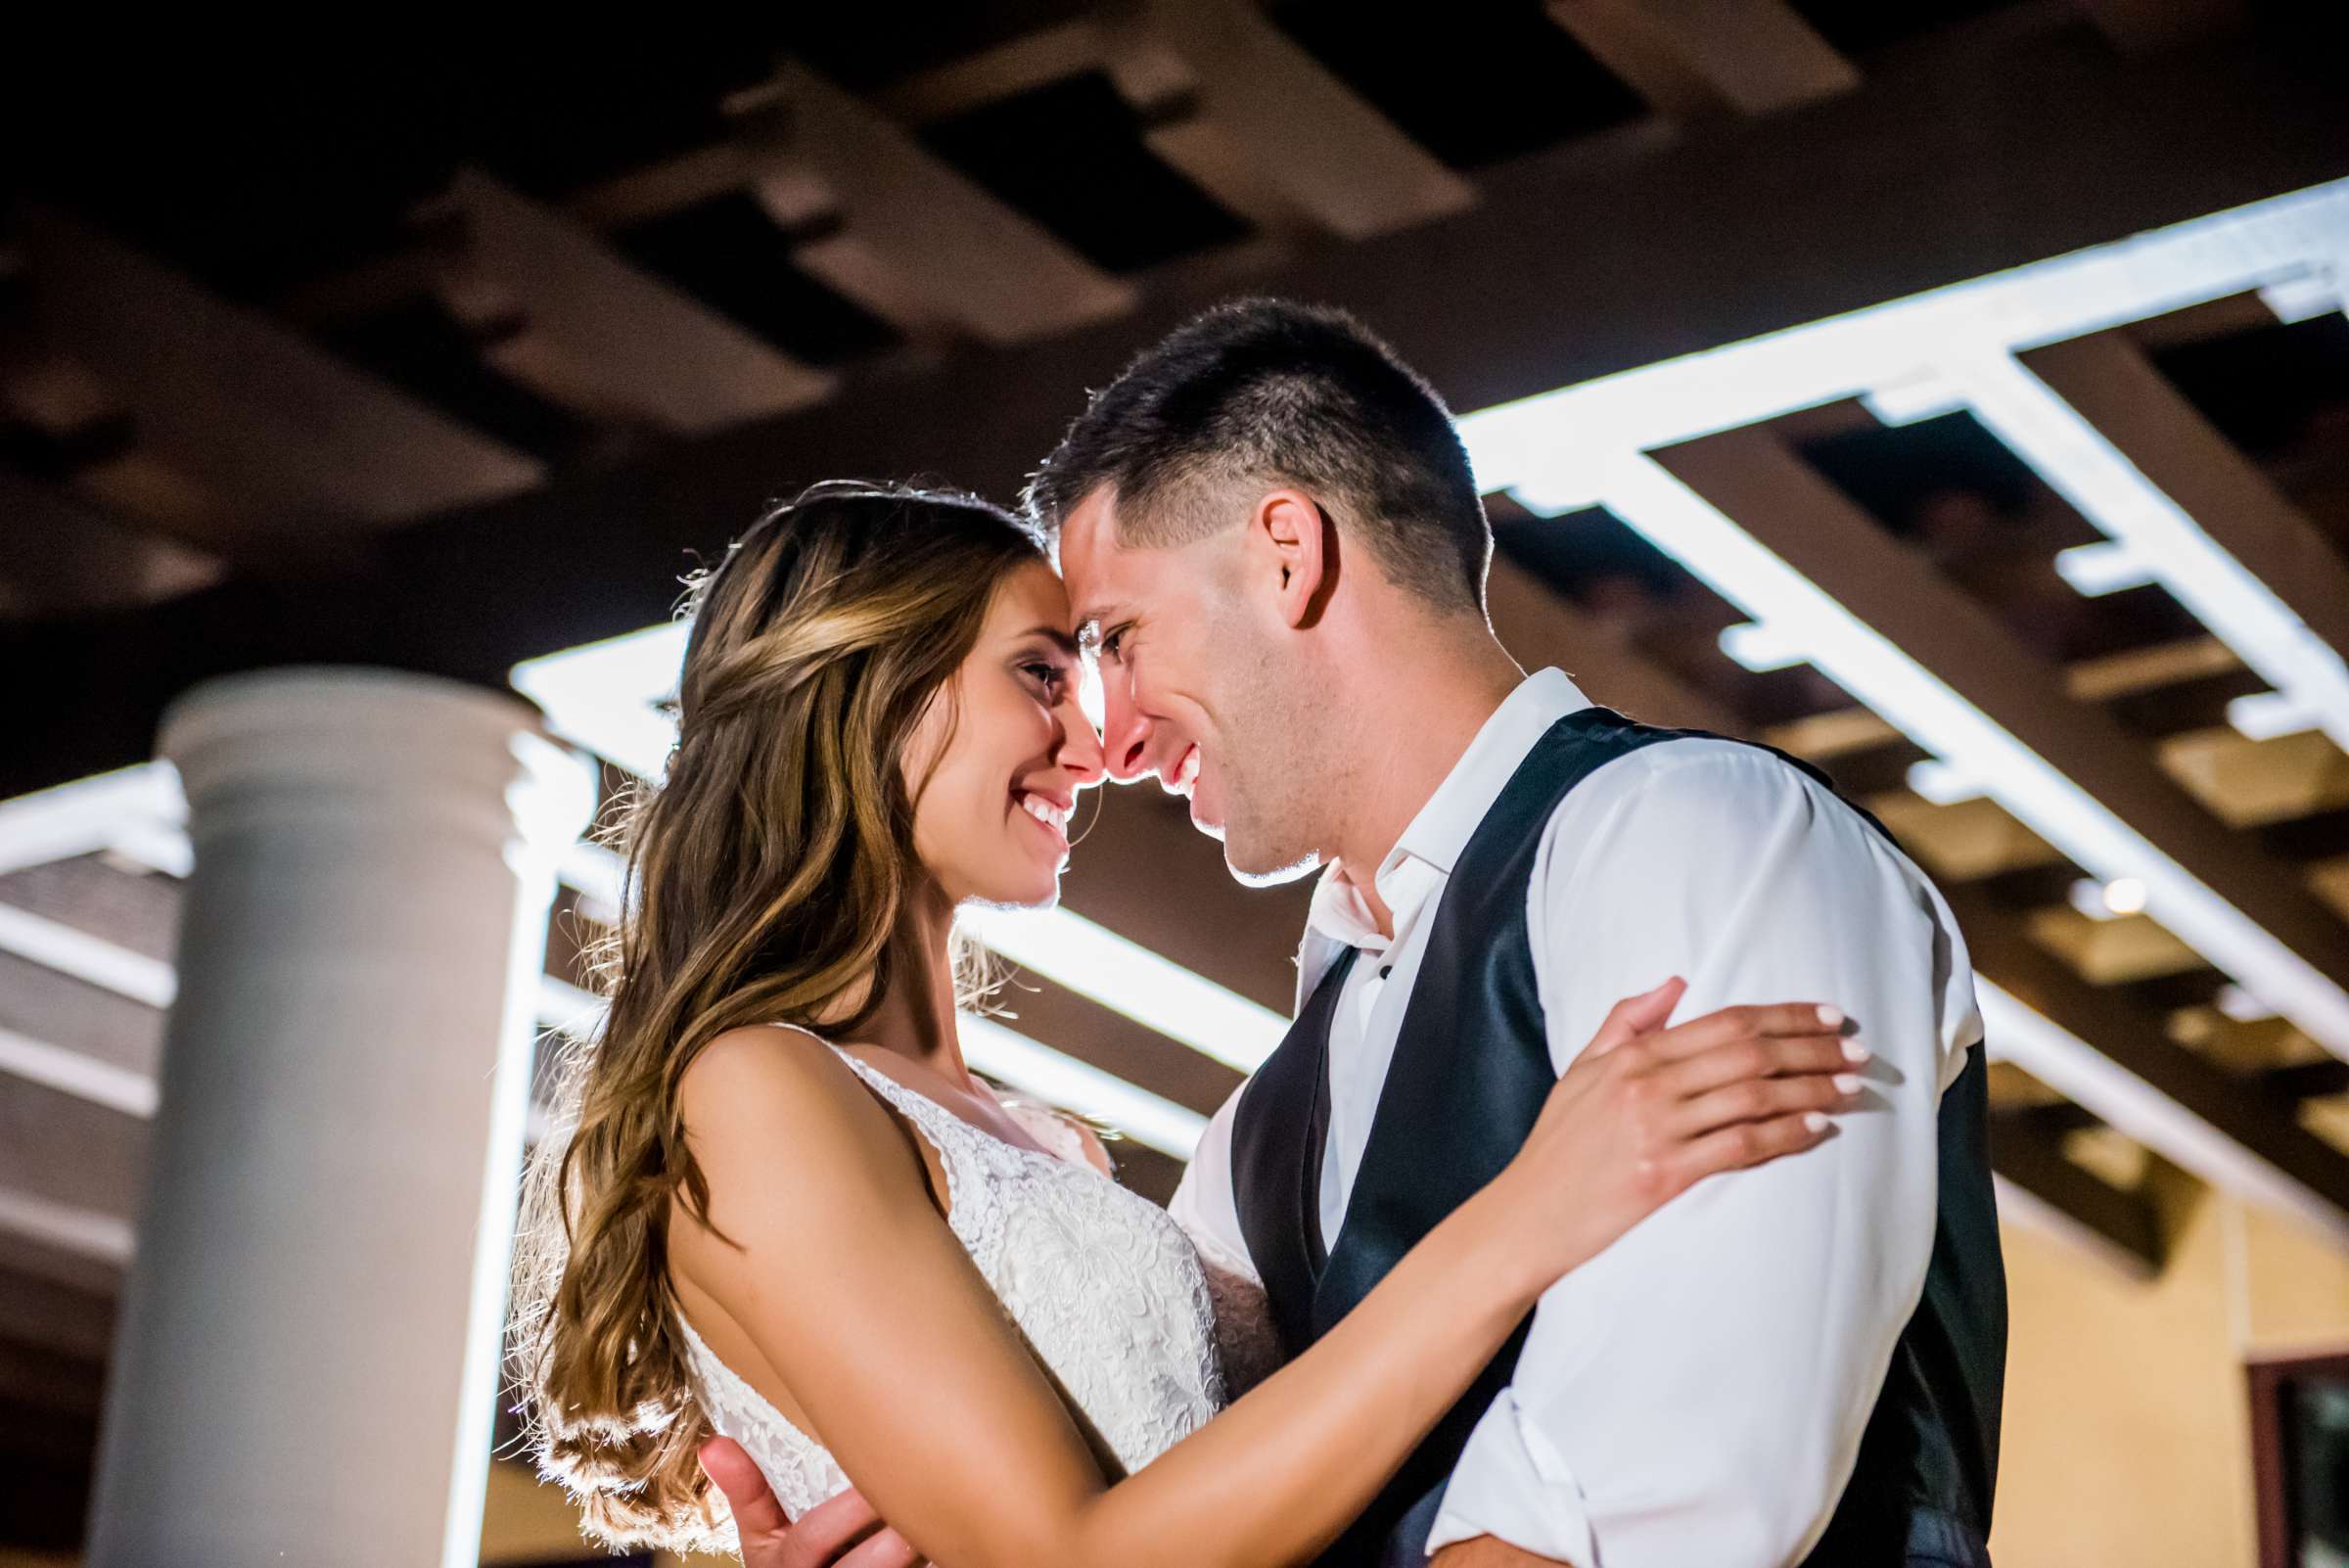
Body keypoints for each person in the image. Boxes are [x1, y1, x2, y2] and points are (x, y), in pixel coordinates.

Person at [710, 301, 2007, 1568]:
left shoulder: (1703, 839)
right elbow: (1150, 1511)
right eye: (1060, 667)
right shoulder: (1259, 1135)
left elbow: (1651, 1517)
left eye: (1116, 639)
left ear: (1288, 553)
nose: (1110, 737)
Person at [509, 479, 1864, 1567]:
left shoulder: (1044, 1140)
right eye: (1041, 673)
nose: (1098, 744)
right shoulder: (756, 1086)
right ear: (873, 689)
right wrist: (1527, 1217)